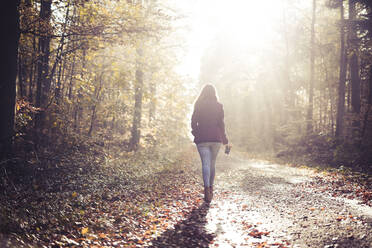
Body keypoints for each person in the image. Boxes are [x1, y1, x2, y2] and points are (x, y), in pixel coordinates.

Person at [191, 84, 229, 203]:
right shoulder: (219, 106)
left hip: (202, 139)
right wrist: (225, 139)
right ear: (214, 93)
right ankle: (211, 189)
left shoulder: (198, 104)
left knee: (205, 164)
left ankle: (206, 189)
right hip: (216, 139)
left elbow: (193, 122)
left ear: (203, 93)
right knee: (212, 164)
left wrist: (196, 133)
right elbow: (221, 124)